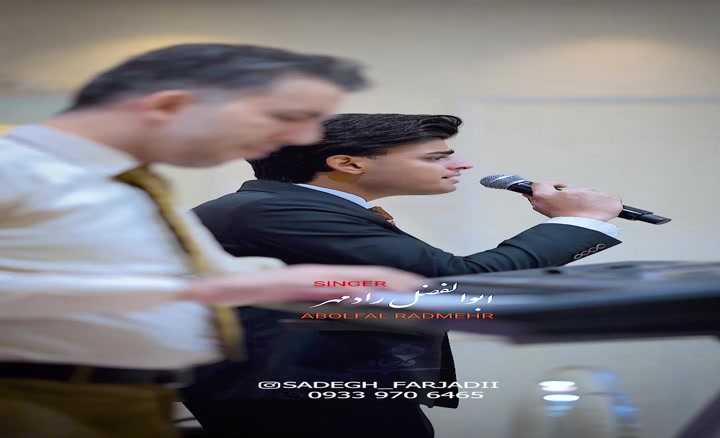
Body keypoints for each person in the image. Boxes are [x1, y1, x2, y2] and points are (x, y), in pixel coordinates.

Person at [0, 47, 426, 438]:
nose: (299, 138)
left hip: (131, 396)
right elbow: (195, 287)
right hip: (36, 398)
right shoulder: (14, 167)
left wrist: (316, 283)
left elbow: (207, 278)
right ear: (169, 105)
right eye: (284, 117)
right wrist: (197, 291)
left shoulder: (126, 183)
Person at [180, 113, 625, 437]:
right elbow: (452, 280)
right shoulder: (274, 211)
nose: (460, 165)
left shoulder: (283, 206)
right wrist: (580, 222)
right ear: (348, 164)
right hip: (298, 398)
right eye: (436, 157)